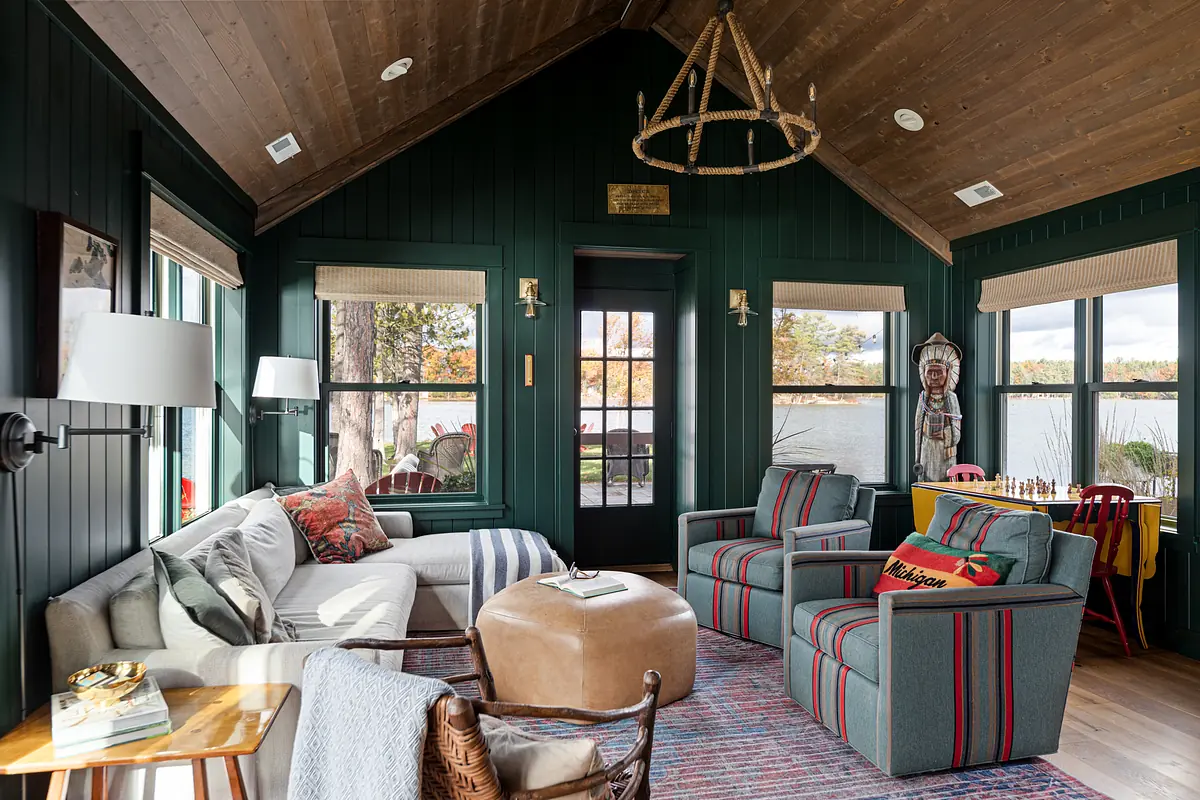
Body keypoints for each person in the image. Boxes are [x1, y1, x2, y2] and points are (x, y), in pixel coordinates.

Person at [912, 333, 962, 482]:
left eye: (939, 372)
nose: (933, 377)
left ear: (948, 373)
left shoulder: (951, 399)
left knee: (945, 483)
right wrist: (917, 457)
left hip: (946, 454)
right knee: (925, 484)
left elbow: (957, 431)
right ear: (924, 373)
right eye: (930, 372)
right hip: (926, 453)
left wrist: (944, 433)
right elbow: (917, 430)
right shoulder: (923, 398)